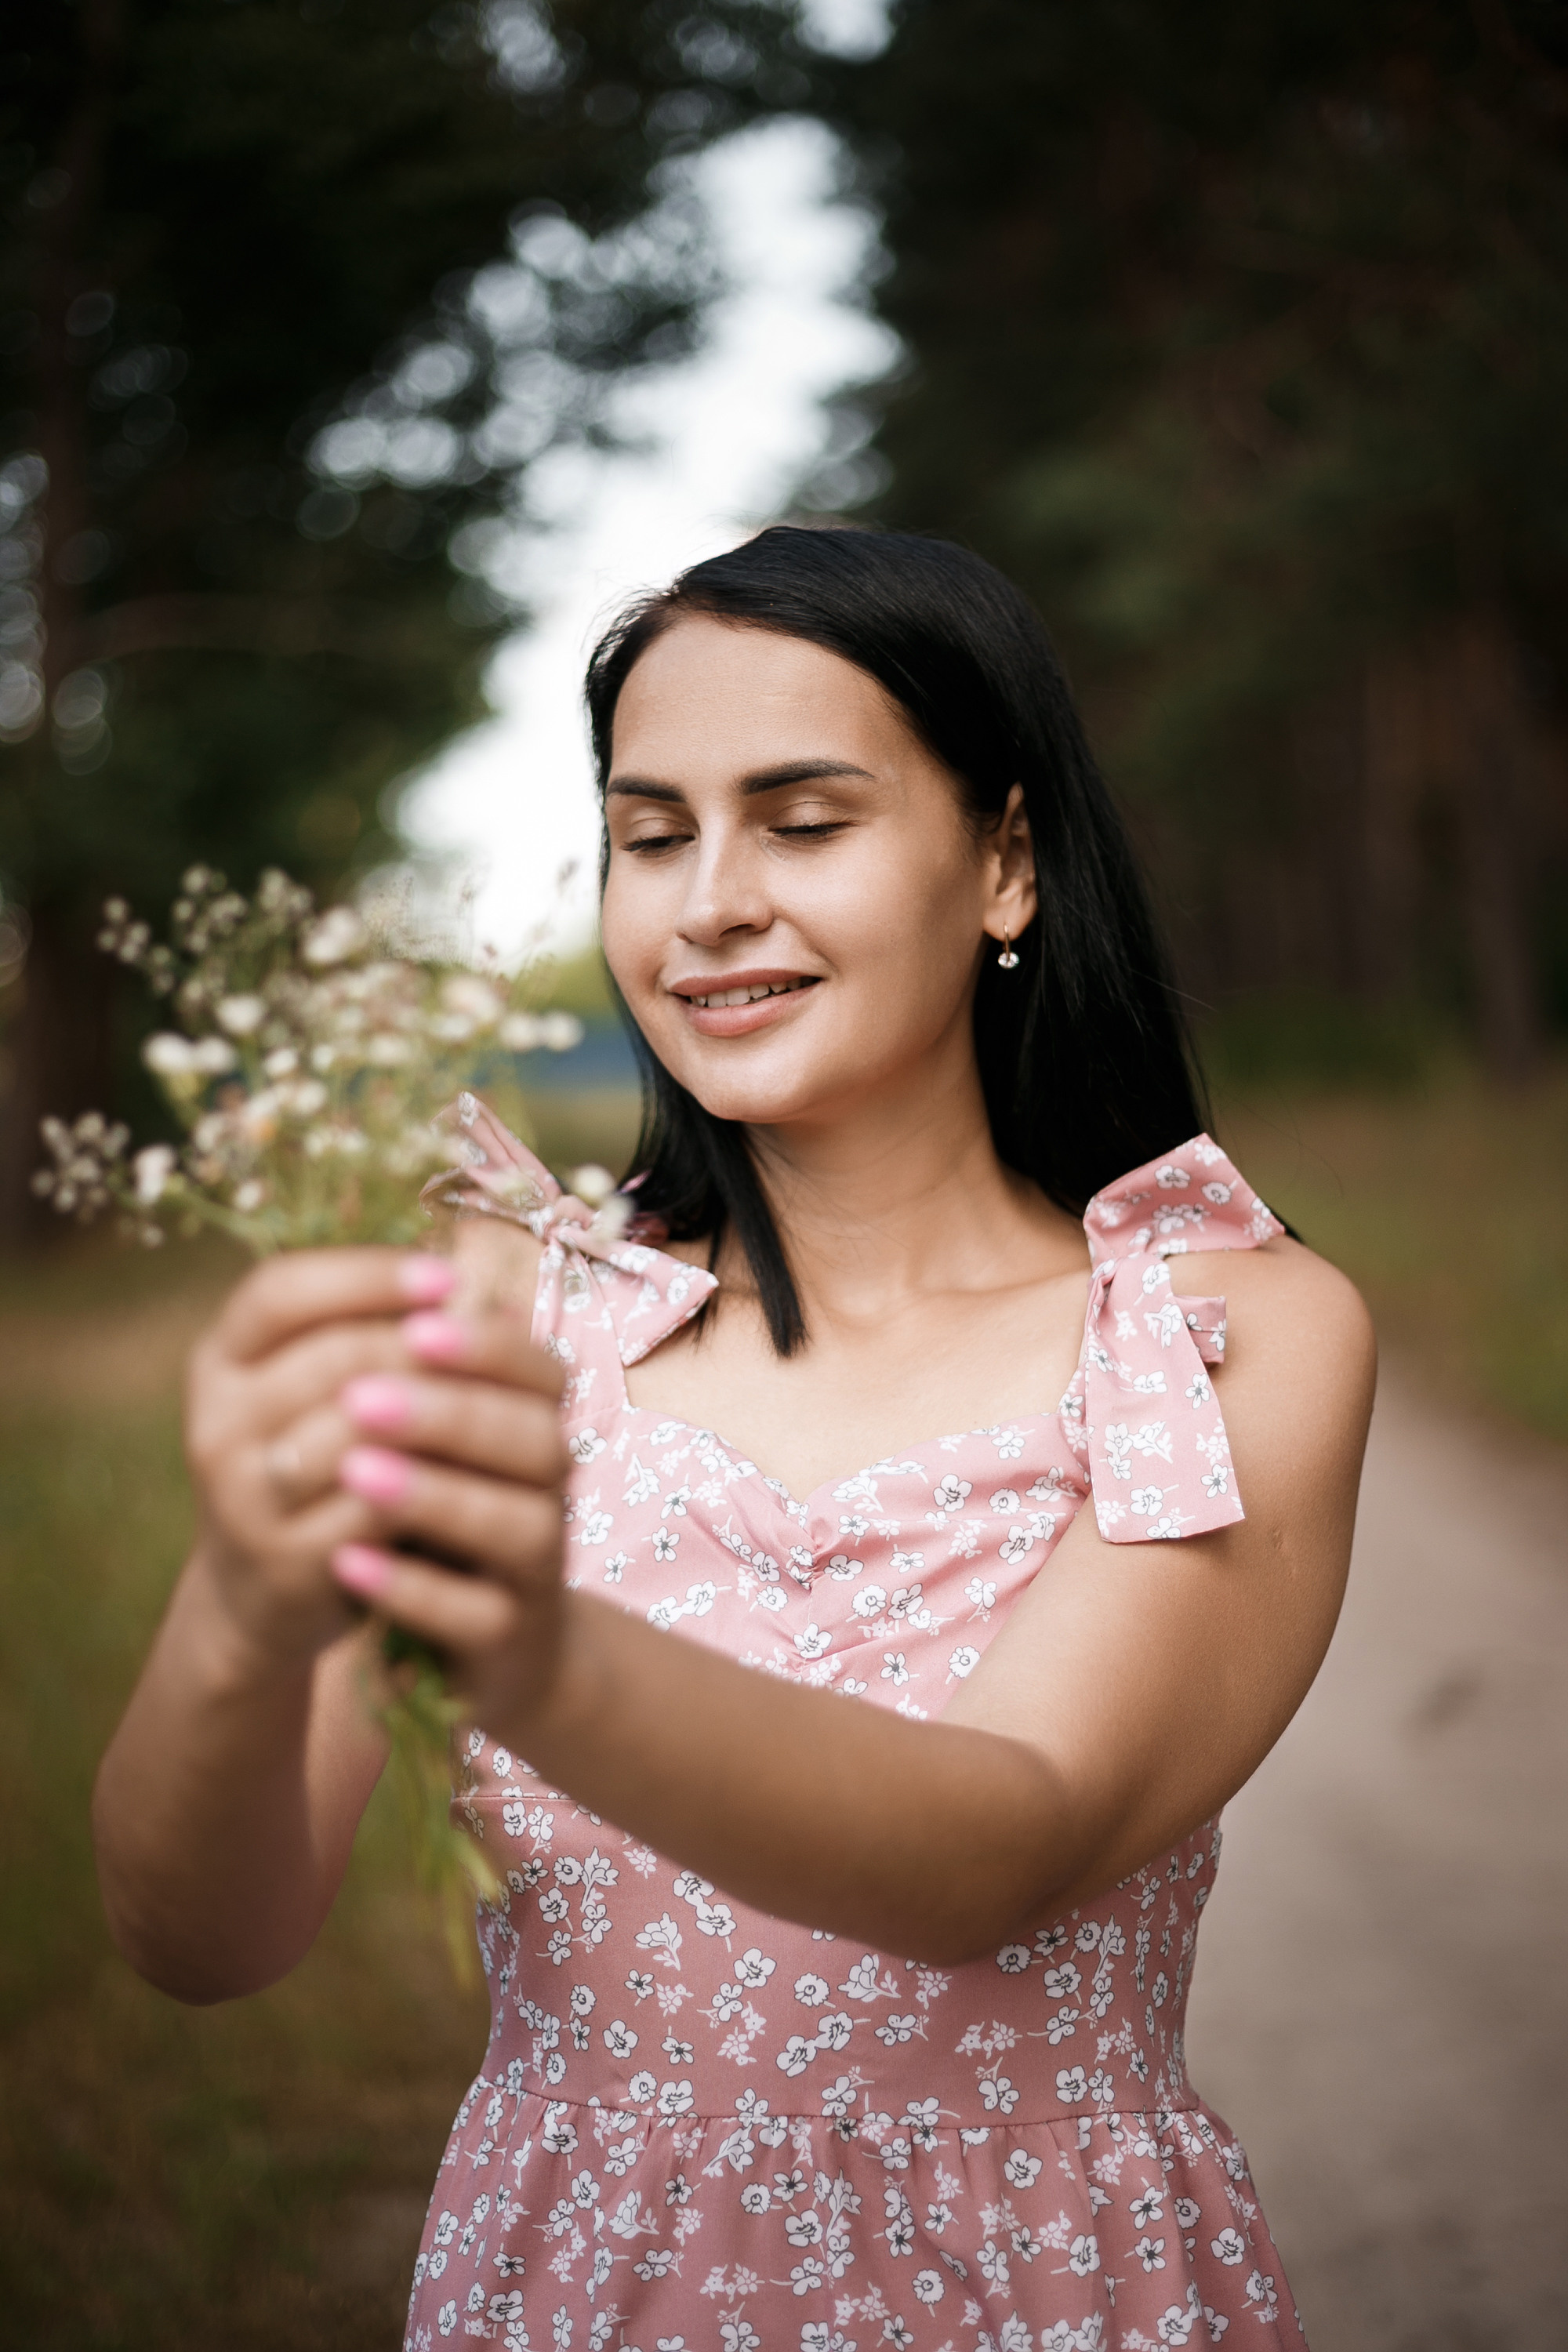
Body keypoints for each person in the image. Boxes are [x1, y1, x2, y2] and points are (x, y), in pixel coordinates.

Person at [93, 528, 1374, 2352]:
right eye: (650, 832)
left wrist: (519, 1643)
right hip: (571, 2292)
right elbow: (198, 1943)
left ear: (1004, 860)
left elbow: (997, 1845)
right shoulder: (501, 1314)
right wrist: (244, 1596)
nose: (706, 904)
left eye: (802, 819)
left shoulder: (1211, 1334)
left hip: (1037, 2296)